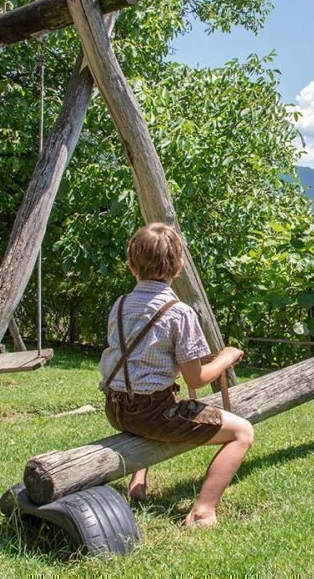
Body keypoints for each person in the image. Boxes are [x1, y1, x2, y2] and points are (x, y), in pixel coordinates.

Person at [100, 222, 253, 527]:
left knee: (148, 392)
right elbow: (196, 379)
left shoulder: (120, 305)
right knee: (242, 433)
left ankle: (137, 481)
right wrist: (225, 358)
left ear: (131, 267)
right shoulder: (179, 313)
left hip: (116, 408)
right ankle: (203, 510)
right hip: (153, 413)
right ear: (180, 266)